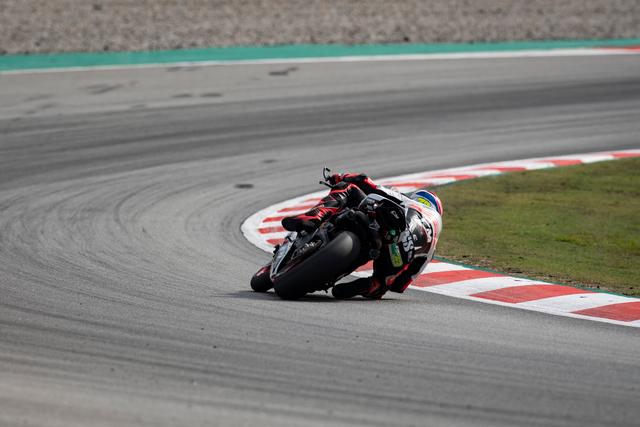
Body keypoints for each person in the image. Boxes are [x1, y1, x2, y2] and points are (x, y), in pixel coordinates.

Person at [281, 173, 443, 299]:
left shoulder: (405, 199)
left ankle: (314, 217)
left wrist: (340, 177)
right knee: (381, 285)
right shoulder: (431, 245)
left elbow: (365, 181)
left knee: (348, 187)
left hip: (389, 225)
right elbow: (401, 285)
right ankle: (371, 285)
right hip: (397, 254)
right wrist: (387, 281)